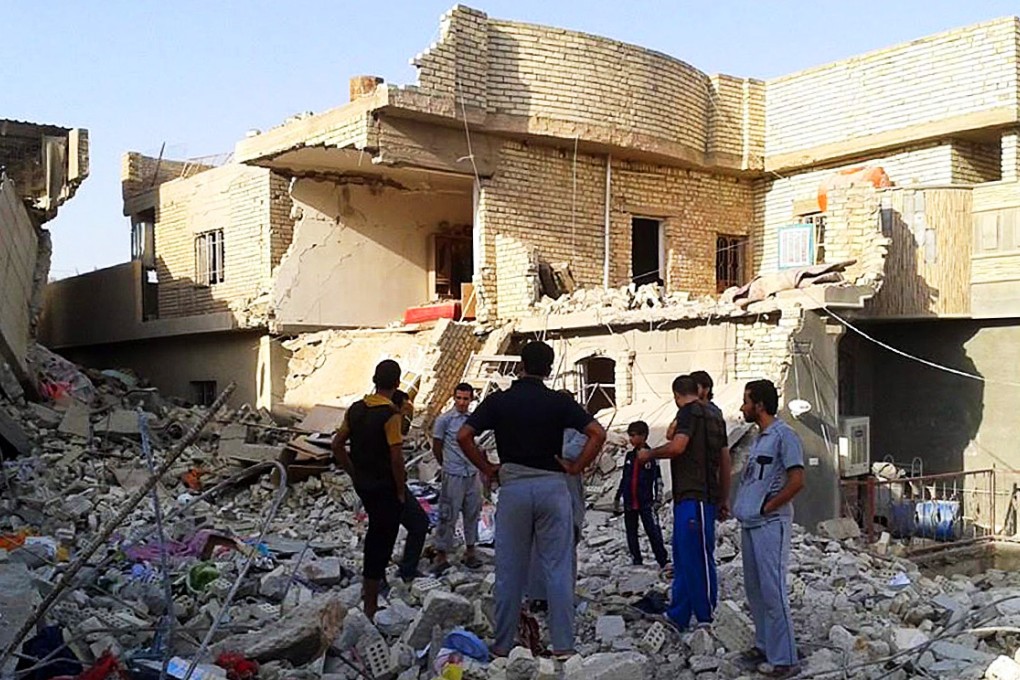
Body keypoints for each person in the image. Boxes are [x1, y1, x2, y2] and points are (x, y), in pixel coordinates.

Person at [456, 341, 607, 658]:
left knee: (509, 570)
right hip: (554, 487)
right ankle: (564, 645)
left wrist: (486, 468)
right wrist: (577, 466)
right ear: (549, 369)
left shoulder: (499, 401)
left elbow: (463, 436)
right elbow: (597, 433)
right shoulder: (557, 402)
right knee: (557, 568)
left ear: (521, 365)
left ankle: (502, 644)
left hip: (514, 487)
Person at [639, 375, 728, 631]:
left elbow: (677, 446)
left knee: (697, 558)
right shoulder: (715, 415)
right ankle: (678, 614)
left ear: (677, 395)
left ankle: (706, 617)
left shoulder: (690, 413)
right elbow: (724, 459)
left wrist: (650, 454)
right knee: (686, 557)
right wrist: (724, 497)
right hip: (700, 497)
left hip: (695, 496)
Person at [733, 379, 805, 678]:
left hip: (770, 524)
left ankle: (785, 658)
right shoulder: (760, 438)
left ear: (759, 405)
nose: (742, 407)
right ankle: (764, 645)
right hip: (751, 522)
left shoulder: (784, 436)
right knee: (755, 589)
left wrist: (769, 506)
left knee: (773, 590)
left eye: (746, 401)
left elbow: (797, 480)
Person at [331, 359, 406, 620]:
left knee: (377, 534)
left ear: (375, 380)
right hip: (385, 486)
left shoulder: (355, 409)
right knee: (380, 539)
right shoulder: (391, 414)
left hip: (365, 484)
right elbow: (396, 458)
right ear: (397, 384)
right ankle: (371, 602)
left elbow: (337, 444)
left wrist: (353, 472)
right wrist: (400, 489)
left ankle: (373, 590)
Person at [527, 403, 588, 611]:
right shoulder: (540, 428)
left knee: (566, 543)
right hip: (543, 490)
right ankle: (538, 595)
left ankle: (563, 595)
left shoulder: (578, 431)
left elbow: (572, 452)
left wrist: (551, 453)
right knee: (538, 543)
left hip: (568, 492)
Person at [431, 383, 484, 574]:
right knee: (448, 513)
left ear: (471, 400)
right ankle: (441, 554)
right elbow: (437, 445)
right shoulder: (444, 420)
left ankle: (470, 551)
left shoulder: (472, 420)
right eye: (459, 398)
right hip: (453, 473)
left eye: (466, 399)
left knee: (472, 512)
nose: (462, 402)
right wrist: (444, 465)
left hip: (471, 472)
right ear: (454, 398)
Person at [615, 421, 669, 568]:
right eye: (630, 435)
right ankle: (636, 560)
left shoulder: (651, 456)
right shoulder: (629, 456)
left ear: (643, 436)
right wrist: (618, 496)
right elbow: (624, 477)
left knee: (653, 531)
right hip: (629, 501)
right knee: (631, 532)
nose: (631, 439)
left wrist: (657, 499)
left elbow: (658, 479)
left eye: (634, 435)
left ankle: (662, 560)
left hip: (646, 502)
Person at [390, 389, 429, 582]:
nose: (407, 414)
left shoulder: (361, 414)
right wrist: (400, 489)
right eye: (405, 408)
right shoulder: (391, 421)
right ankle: (407, 570)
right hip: (391, 484)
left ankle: (374, 577)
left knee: (383, 528)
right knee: (419, 523)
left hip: (372, 484)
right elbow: (396, 459)